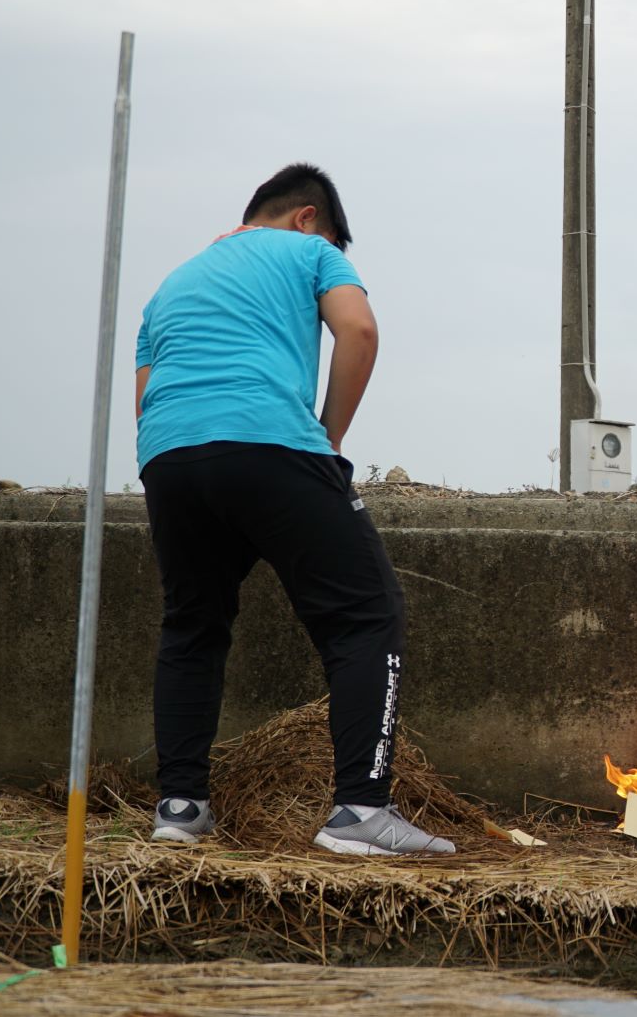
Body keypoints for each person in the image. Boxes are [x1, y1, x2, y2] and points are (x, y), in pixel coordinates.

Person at [133, 163, 454, 855]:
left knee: (193, 624)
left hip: (169, 459)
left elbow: (146, 393)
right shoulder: (311, 252)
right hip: (270, 444)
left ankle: (180, 808)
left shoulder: (171, 286)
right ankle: (361, 812)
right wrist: (329, 441)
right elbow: (359, 333)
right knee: (367, 615)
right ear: (309, 217)